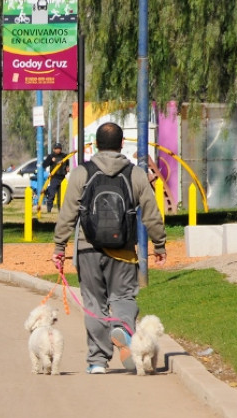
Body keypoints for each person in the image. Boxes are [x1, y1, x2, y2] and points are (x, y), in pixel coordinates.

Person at [51, 122, 167, 374]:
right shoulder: (135, 173)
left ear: (95, 145)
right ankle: (125, 330)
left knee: (94, 303)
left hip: (87, 248)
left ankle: (97, 361)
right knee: (123, 297)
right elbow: (151, 211)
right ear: (122, 144)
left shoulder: (82, 172)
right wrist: (159, 243)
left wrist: (59, 246)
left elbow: (68, 212)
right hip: (123, 250)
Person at [41, 143, 69, 213]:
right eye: (56, 149)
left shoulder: (64, 156)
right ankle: (49, 209)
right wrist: (51, 160)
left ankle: (61, 209)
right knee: (51, 194)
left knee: (63, 195)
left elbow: (68, 164)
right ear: (54, 149)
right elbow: (44, 165)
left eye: (59, 148)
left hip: (63, 178)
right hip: (54, 178)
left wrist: (67, 167)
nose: (58, 150)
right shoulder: (51, 156)